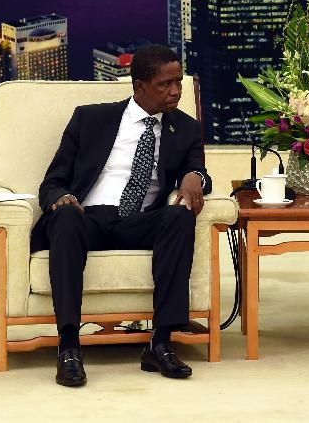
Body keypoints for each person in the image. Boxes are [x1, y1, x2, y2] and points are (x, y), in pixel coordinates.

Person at [32, 44, 212, 387]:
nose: (175, 91)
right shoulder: (91, 119)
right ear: (139, 86)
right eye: (165, 84)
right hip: (88, 217)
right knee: (66, 218)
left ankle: (160, 342)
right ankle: (69, 346)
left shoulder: (186, 129)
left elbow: (198, 171)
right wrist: (62, 198)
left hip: (138, 221)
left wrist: (196, 177)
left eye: (179, 83)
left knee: (179, 216)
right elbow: (52, 183)